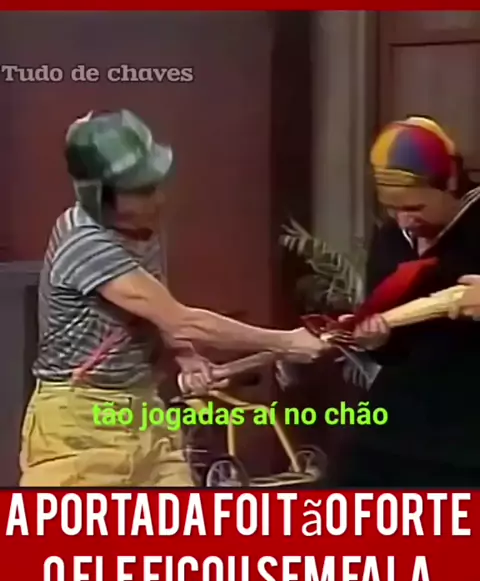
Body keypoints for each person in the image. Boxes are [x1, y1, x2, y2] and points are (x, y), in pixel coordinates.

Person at [20, 110, 325, 487]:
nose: (159, 199)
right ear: (101, 196)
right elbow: (182, 321)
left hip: (144, 412)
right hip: (80, 425)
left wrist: (185, 355)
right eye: (143, 190)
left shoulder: (141, 226)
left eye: (156, 184)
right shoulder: (86, 244)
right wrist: (286, 342)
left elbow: (158, 311)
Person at [330, 115, 480, 488]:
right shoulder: (390, 239)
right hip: (400, 416)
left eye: (415, 207)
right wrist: (377, 340)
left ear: (449, 181)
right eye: (393, 209)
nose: (405, 220)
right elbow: (392, 349)